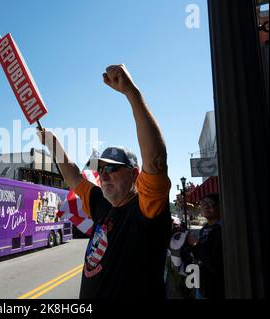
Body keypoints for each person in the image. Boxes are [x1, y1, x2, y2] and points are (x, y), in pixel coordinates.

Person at [37, 64, 172, 298]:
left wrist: (132, 93)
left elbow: (156, 160)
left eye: (112, 168)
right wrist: (53, 144)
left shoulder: (146, 208)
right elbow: (74, 177)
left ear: (134, 173)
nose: (103, 174)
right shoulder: (102, 203)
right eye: (100, 169)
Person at [186, 193, 224, 299]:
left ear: (220, 206)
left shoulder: (222, 229)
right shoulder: (205, 228)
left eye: (210, 203)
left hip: (215, 288)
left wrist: (195, 244)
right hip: (202, 283)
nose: (205, 206)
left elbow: (214, 261)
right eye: (203, 203)